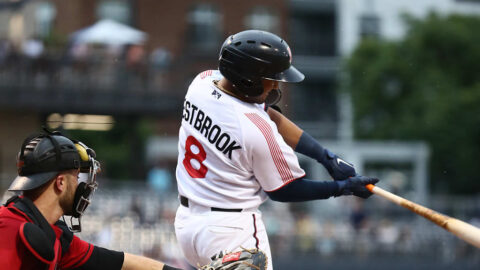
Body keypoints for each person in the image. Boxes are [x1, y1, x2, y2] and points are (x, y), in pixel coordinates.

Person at [174, 29, 379, 269]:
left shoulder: (201, 83)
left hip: (188, 225)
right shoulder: (256, 129)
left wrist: (326, 157)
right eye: (271, 78)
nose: (275, 86)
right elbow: (284, 190)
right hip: (231, 232)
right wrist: (341, 188)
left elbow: (268, 115)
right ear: (248, 79)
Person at [0, 130, 183, 270]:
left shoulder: (54, 234)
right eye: (77, 177)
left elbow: (121, 262)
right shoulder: (9, 228)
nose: (82, 185)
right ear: (61, 182)